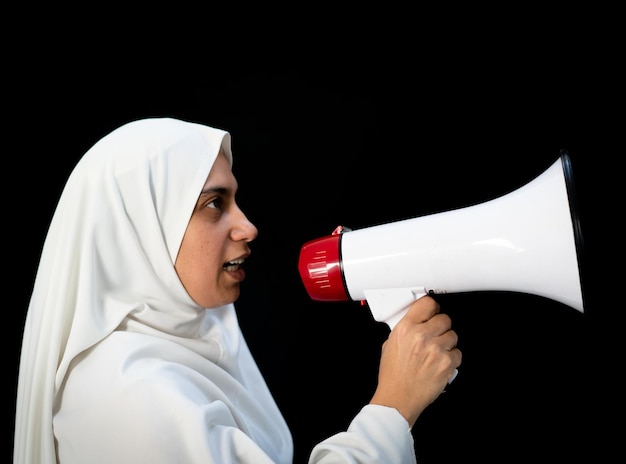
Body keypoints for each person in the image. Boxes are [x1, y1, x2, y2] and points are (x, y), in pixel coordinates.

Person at [14, 117, 461, 463]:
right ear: (139, 228)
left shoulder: (186, 344)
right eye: (213, 204)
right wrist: (394, 406)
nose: (247, 227)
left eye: (235, 200)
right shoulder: (126, 395)